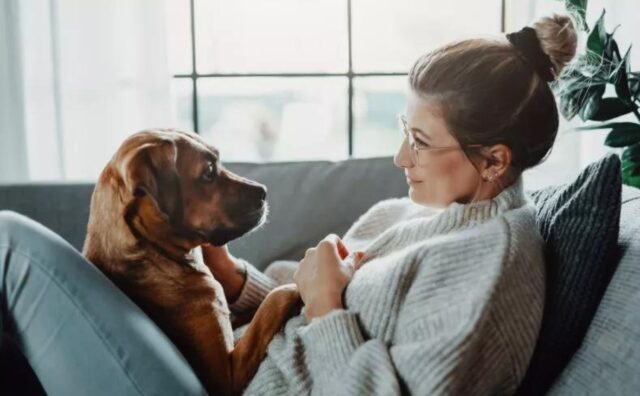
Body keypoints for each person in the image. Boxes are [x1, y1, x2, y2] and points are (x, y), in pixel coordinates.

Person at [0, 14, 577, 395]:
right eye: (407, 129)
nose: (400, 157)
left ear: (495, 160)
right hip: (224, 363)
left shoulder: (492, 265)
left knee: (8, 245)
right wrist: (237, 285)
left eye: (421, 142)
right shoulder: (415, 213)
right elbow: (295, 301)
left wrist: (327, 308)